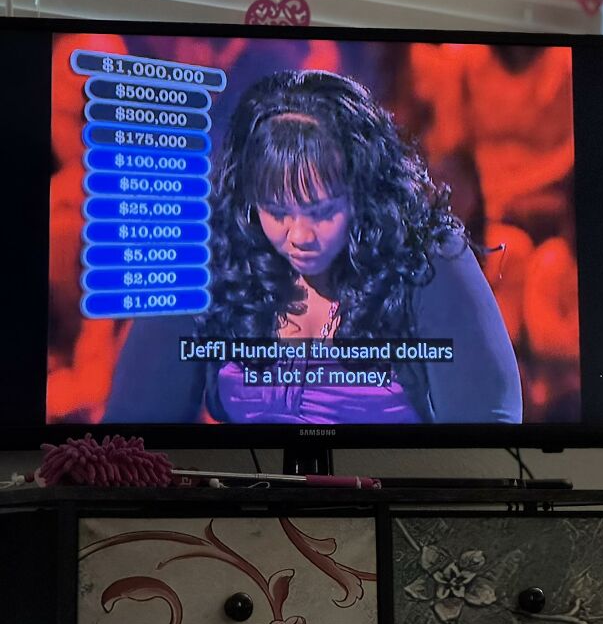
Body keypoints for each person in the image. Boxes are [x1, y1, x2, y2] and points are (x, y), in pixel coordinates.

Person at [105, 70, 522, 425]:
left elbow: (488, 437)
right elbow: (132, 437)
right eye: (276, 211)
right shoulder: (210, 256)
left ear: (363, 193)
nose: (300, 235)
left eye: (322, 212)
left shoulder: (427, 257)